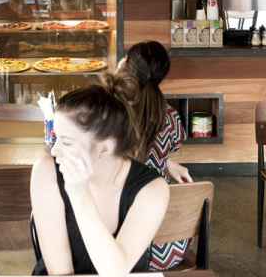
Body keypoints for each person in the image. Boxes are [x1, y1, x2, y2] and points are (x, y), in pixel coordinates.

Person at [30, 76, 169, 277]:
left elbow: (114, 272)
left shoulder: (151, 189)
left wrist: (79, 195)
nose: (54, 151)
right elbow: (60, 272)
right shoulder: (47, 170)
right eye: (56, 138)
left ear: (104, 149)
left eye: (66, 142)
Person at [118, 40, 192, 270]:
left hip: (122, 247)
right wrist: (166, 162)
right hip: (171, 245)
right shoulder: (171, 116)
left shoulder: (112, 113)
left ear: (126, 67)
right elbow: (155, 149)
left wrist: (117, 78)